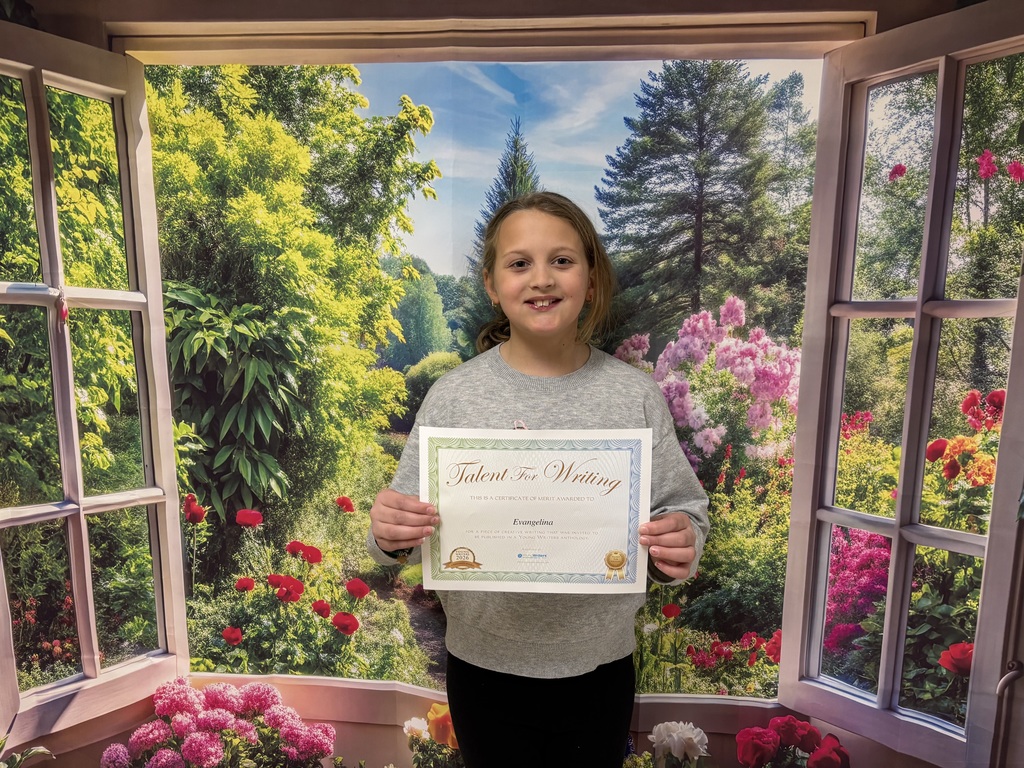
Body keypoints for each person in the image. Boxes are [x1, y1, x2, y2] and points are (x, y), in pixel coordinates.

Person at [367, 191, 709, 767]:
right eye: (519, 262)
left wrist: (683, 539)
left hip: (599, 669)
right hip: (481, 667)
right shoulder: (453, 397)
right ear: (492, 284)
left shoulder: (634, 396)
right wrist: (389, 532)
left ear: (592, 279)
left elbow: (684, 510)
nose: (541, 278)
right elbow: (398, 534)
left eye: (563, 260)